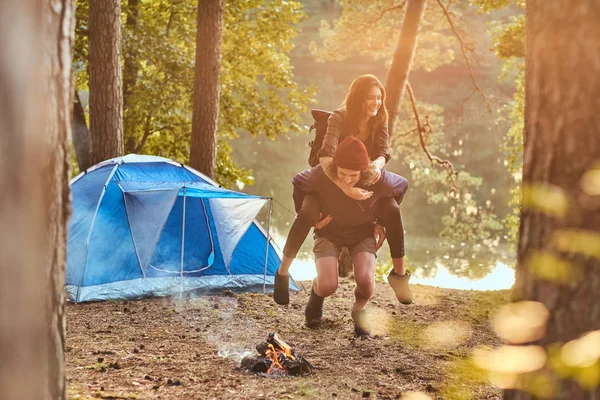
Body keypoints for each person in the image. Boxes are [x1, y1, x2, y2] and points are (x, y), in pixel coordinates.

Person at [274, 74, 411, 306]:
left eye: (379, 98)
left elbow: (382, 152)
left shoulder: (380, 118)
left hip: (364, 172)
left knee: (391, 208)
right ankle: (283, 273)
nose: (376, 103)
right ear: (358, 98)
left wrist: (375, 169)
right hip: (331, 172)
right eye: (370, 98)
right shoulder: (339, 117)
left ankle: (398, 275)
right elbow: (325, 155)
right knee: (307, 214)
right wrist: (344, 188)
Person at [287, 137, 409, 336]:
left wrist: (380, 221)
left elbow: (402, 186)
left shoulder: (376, 178)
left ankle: (359, 311)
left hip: (363, 233)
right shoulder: (325, 176)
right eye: (342, 173)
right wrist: (312, 220)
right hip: (329, 232)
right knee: (328, 285)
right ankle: (317, 296)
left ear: (363, 171)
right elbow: (298, 183)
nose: (346, 179)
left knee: (366, 284)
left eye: (353, 175)